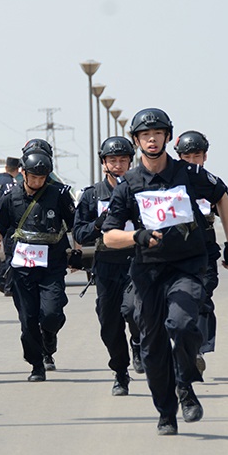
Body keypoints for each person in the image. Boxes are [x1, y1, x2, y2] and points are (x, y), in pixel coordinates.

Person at [102, 108, 228, 436]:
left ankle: (186, 388)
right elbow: (108, 234)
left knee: (185, 324)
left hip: (188, 266)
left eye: (158, 133)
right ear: (137, 141)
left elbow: (222, 198)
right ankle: (166, 411)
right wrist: (137, 236)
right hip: (148, 272)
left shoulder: (188, 173)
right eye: (145, 135)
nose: (152, 139)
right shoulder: (128, 185)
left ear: (166, 137)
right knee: (153, 348)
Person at [0, 151, 75, 382]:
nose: (38, 182)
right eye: (34, 177)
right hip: (22, 267)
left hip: (52, 265)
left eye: (43, 177)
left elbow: (74, 224)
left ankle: (49, 335)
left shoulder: (59, 195)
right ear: (23, 174)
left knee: (51, 314)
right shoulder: (10, 196)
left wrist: (76, 252)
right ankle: (36, 365)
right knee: (28, 319)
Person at [73, 136, 142, 396]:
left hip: (136, 261)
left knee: (134, 308)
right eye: (112, 160)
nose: (118, 165)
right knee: (109, 322)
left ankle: (138, 342)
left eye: (123, 160)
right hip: (105, 266)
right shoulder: (92, 195)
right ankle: (120, 373)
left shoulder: (141, 189)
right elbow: (80, 233)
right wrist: (98, 225)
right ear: (104, 163)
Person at [174, 130, 228, 374]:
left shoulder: (211, 181)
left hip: (204, 251)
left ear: (205, 157)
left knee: (201, 299)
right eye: (187, 156)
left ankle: (197, 350)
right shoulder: (168, 179)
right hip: (174, 252)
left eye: (197, 156)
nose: (192, 161)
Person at [0, 157, 21, 294]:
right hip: (9, 224)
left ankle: (6, 283)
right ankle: (3, 281)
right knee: (12, 254)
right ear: (18, 169)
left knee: (9, 254)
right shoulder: (12, 184)